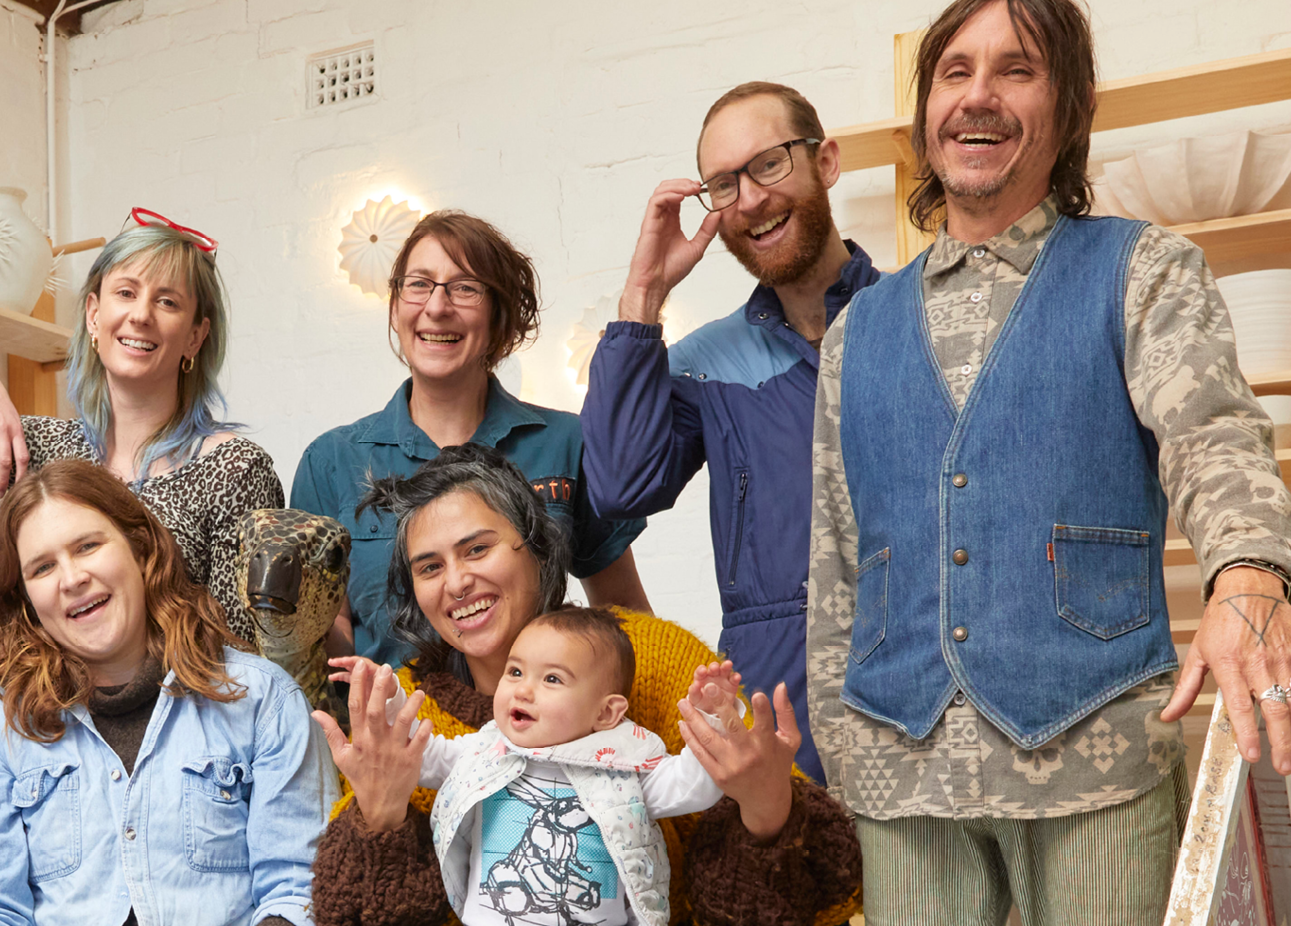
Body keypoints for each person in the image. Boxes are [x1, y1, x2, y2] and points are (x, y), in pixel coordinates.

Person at [806, 1, 1291, 922]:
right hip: (902, 775)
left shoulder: (1144, 270)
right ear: (927, 110)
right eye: (954, 72)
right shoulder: (855, 333)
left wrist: (1250, 575)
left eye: (1017, 69)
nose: (978, 97)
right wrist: (843, 754)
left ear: (1070, 104)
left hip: (1096, 760)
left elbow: (1215, 438)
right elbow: (837, 556)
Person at [309, 445, 862, 926]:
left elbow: (824, 890)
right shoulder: (409, 712)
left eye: (477, 549)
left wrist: (765, 806)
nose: (456, 582)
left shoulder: (652, 660)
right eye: (429, 568)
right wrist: (379, 817)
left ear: (538, 545)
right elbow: (350, 911)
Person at [580, 82, 884, 785]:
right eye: (723, 184)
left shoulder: (914, 321)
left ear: (827, 161)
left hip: (916, 704)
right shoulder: (708, 365)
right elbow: (621, 487)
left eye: (769, 164)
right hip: (776, 728)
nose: (748, 198)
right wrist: (643, 298)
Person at [0, 460, 326, 926]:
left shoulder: (262, 699)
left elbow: (299, 889)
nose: (72, 578)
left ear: (140, 549)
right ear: (26, 601)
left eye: (88, 546)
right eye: (42, 567)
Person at [292, 212, 650, 667]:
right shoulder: (331, 461)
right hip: (394, 731)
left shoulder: (566, 442)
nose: (437, 307)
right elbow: (325, 637)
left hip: (543, 733)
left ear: (499, 314)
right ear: (396, 305)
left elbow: (624, 617)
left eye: (464, 288)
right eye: (418, 284)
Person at [0, 216, 291, 660]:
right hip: (49, 712)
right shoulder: (41, 447)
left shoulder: (234, 469)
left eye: (168, 302)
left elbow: (243, 651)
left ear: (196, 336)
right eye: (126, 293)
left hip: (186, 717)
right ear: (94, 315)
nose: (140, 315)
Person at [316, 607, 776, 926]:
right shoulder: (486, 750)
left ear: (606, 713)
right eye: (515, 672)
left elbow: (694, 786)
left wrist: (717, 716)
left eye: (552, 679)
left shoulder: (623, 765)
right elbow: (421, 755)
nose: (523, 690)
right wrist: (389, 694)